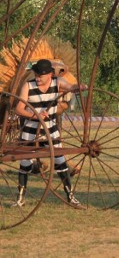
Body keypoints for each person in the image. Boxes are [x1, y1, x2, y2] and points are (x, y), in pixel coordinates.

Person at [14, 59, 86, 207]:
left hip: (50, 130)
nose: (38, 77)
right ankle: (20, 199)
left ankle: (70, 196)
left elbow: (70, 87)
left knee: (60, 161)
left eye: (40, 75)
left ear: (49, 74)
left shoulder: (57, 82)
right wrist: (35, 115)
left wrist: (78, 87)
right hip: (30, 131)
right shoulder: (28, 86)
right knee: (25, 162)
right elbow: (18, 109)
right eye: (36, 74)